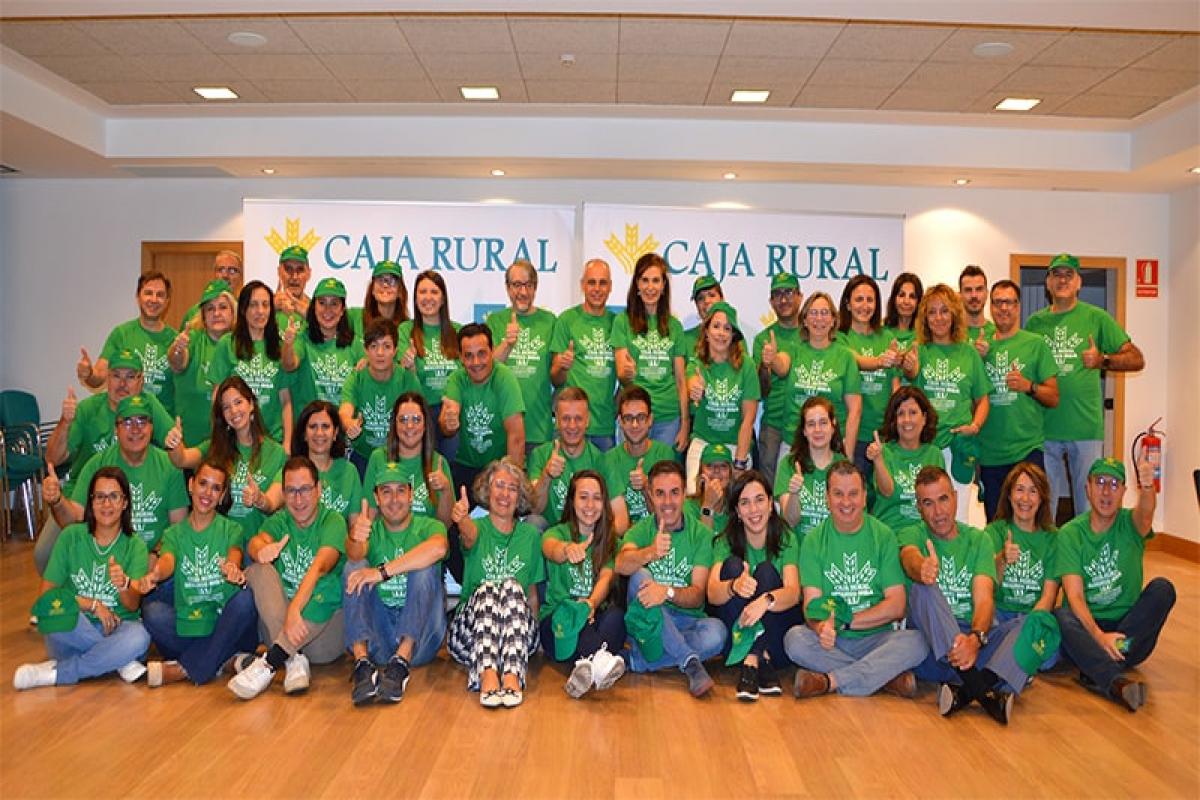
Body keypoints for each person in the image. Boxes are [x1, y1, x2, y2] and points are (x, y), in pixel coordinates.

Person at [899, 466, 1047, 725]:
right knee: (924, 587)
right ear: (919, 508)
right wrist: (921, 567)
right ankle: (989, 691)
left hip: (974, 642)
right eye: (928, 503)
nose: (938, 512)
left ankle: (965, 690)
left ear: (955, 497)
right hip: (935, 646)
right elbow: (908, 556)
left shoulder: (979, 540)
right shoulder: (912, 533)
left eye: (944, 499)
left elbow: (984, 599)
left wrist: (976, 640)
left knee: (1034, 624)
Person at [785, 462, 926, 700]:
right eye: (838, 494)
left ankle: (830, 681)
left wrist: (846, 622)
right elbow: (812, 607)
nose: (846, 502)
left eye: (853, 494)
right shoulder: (812, 540)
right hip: (833, 642)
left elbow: (897, 606)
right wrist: (822, 627)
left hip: (877, 639)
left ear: (864, 497)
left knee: (919, 641)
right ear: (827, 499)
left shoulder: (884, 536)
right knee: (794, 640)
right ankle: (885, 677)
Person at [1026, 253, 1145, 518]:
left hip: (1085, 428)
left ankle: (1086, 558)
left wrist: (1103, 359)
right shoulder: (1035, 323)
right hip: (1043, 429)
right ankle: (1048, 559)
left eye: (1069, 275)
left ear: (1079, 282)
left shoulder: (1096, 318)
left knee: (1088, 507)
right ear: (1048, 283)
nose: (1062, 280)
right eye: (1056, 274)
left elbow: (1137, 358)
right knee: (1043, 508)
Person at [1054, 457, 1174, 712]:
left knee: (1163, 588)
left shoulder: (1130, 524)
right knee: (1061, 616)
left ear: (1123, 491)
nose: (1106, 491)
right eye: (1099, 482)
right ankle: (1113, 678)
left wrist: (1147, 485)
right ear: (1087, 488)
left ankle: (1094, 668)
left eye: (1114, 484)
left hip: (1126, 634)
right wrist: (1098, 637)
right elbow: (1074, 596)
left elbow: (1146, 513)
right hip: (1087, 630)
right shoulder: (1070, 533)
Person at [15, 467, 152, 690]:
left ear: (125, 503)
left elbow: (133, 604)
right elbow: (46, 596)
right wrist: (92, 605)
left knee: (140, 635)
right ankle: (118, 661)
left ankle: (55, 673)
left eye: (114, 497)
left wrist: (124, 584)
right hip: (73, 629)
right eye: (100, 497)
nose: (106, 505)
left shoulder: (135, 545)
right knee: (56, 618)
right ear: (91, 503)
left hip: (118, 629)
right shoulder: (70, 536)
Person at [38, 350, 174, 575]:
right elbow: (53, 458)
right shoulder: (89, 409)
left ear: (141, 381)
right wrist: (65, 421)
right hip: (81, 498)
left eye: (130, 376)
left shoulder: (149, 406)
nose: (122, 383)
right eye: (116, 375)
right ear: (106, 379)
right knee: (44, 553)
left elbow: (175, 447)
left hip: (133, 496)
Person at [229, 456, 348, 700]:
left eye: (305, 489)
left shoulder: (332, 520)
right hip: (281, 628)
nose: (298, 499)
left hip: (321, 639)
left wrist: (295, 608)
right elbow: (255, 541)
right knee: (260, 570)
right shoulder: (281, 520)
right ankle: (292, 660)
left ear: (319, 489)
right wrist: (260, 549)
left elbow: (319, 567)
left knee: (328, 584)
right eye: (291, 491)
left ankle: (270, 662)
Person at [139, 460, 260, 687]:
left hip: (226, 623)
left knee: (245, 601)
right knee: (152, 612)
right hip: (192, 624)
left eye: (216, 488)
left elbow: (234, 552)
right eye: (203, 484)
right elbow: (168, 560)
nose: (207, 493)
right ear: (191, 485)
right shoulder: (173, 533)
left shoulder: (232, 528)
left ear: (223, 495)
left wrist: (232, 568)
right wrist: (156, 574)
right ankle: (224, 659)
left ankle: (188, 668)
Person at [616, 461, 725, 697]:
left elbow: (697, 595)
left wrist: (666, 592)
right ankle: (688, 661)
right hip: (650, 620)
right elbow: (621, 565)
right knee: (639, 574)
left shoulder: (701, 534)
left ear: (684, 493)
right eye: (660, 494)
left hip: (685, 620)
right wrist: (650, 553)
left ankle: (638, 659)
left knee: (717, 632)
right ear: (650, 496)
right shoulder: (641, 530)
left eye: (674, 493)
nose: (668, 502)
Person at [343, 464, 448, 705]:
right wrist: (354, 538)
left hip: (421, 638)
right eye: (386, 492)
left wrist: (382, 572)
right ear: (376, 498)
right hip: (380, 641)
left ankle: (401, 662)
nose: (394, 499)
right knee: (353, 568)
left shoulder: (429, 525)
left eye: (401, 491)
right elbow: (354, 554)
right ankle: (362, 664)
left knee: (425, 566)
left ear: (411, 495)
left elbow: (439, 548)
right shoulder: (371, 529)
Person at [447, 458, 545, 708]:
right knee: (490, 589)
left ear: (520, 496)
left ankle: (511, 676)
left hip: (516, 635)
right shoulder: (476, 528)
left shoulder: (531, 536)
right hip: (469, 637)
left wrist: (535, 636)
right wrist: (461, 519)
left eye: (512, 488)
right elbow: (468, 537)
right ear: (487, 491)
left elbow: (531, 594)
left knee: (512, 587)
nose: (504, 494)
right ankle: (488, 675)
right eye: (499, 485)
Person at [45, 394, 188, 558]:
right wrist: (57, 500)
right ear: (116, 429)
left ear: (152, 428)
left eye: (142, 421)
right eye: (127, 422)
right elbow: (73, 520)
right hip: (108, 560)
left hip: (156, 561)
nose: (135, 429)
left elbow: (178, 527)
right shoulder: (98, 464)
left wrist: (154, 556)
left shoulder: (170, 465)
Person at [707, 470, 802, 702]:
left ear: (771, 504)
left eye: (760, 500)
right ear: (737, 512)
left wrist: (766, 600)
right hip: (738, 643)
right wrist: (733, 586)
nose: (754, 510)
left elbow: (793, 592)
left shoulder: (786, 537)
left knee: (766, 572)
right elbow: (711, 593)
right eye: (745, 503)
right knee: (732, 567)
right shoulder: (726, 539)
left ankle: (754, 659)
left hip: (777, 639)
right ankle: (758, 657)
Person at [167, 376, 287, 547]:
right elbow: (182, 459)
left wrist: (259, 498)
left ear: (251, 403)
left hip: (259, 546)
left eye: (238, 402)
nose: (233, 411)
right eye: (226, 407)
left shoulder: (276, 452)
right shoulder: (215, 447)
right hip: (221, 546)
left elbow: (273, 502)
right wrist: (174, 444)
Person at [539, 470, 627, 699]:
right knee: (572, 611)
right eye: (583, 497)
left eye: (597, 498)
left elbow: (606, 578)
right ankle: (599, 661)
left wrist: (591, 603)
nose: (590, 504)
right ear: (572, 501)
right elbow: (551, 548)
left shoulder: (610, 541)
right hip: (557, 624)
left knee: (617, 616)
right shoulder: (555, 532)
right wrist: (567, 549)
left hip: (592, 617)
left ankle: (584, 668)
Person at [905, 284, 989, 521]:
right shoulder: (918, 350)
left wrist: (975, 426)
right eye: (932, 312)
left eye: (944, 310)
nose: (939, 317)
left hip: (958, 446)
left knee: (958, 515)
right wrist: (910, 371)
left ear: (954, 314)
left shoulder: (969, 353)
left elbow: (983, 399)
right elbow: (909, 386)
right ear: (924, 318)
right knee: (926, 514)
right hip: (926, 445)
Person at [977, 280, 1059, 520]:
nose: (1004, 308)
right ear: (990, 307)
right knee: (996, 523)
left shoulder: (1035, 344)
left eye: (1009, 302)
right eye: (998, 302)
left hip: (1027, 450)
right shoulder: (981, 347)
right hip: (990, 453)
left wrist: (1029, 386)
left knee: (1031, 521)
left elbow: (1053, 396)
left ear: (1018, 306)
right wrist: (977, 358)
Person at [984, 463, 1061, 669]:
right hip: (999, 613)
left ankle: (1007, 656)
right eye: (1019, 490)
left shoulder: (1053, 538)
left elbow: (1049, 596)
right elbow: (986, 588)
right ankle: (1016, 660)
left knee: (1049, 659)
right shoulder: (994, 532)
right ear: (1009, 496)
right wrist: (1001, 558)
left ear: (1042, 499)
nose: (1025, 499)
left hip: (1033, 615)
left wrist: (1030, 627)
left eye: (1033, 491)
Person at [611, 252, 690, 452]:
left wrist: (685, 423)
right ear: (636, 284)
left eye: (656, 280)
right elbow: (622, 372)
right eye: (644, 280)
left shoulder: (675, 327)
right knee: (630, 477)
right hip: (633, 418)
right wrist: (625, 373)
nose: (650, 287)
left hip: (668, 418)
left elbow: (681, 381)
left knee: (664, 479)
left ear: (664, 286)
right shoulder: (622, 322)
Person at [440, 323, 526, 499]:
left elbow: (516, 437)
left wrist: (510, 483)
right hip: (466, 466)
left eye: (482, 354)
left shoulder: (505, 379)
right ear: (461, 358)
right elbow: (446, 420)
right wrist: (449, 422)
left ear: (492, 352)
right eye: (469, 356)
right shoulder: (457, 379)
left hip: (500, 467)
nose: (476, 362)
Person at [207, 281, 296, 444]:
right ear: (243, 309)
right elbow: (217, 396)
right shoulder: (227, 344)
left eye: (265, 305)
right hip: (235, 440)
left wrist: (287, 445)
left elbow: (285, 400)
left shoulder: (279, 346)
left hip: (272, 441)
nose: (260, 311)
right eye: (253, 305)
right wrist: (217, 438)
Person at [684, 301, 760, 491]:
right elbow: (692, 382)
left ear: (733, 335)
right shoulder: (696, 363)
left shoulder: (747, 366)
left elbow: (748, 420)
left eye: (727, 328)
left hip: (735, 445)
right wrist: (695, 389)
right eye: (716, 326)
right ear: (706, 332)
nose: (721, 333)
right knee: (694, 494)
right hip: (703, 442)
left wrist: (740, 463)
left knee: (736, 501)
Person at [77, 271, 178, 412]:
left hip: (163, 427)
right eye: (148, 293)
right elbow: (98, 377)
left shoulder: (176, 340)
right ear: (138, 297)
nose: (154, 299)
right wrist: (88, 374)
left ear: (167, 301)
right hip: (126, 424)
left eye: (160, 295)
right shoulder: (121, 334)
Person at [782, 291, 861, 469]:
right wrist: (771, 359)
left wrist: (847, 455)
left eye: (825, 313)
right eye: (813, 313)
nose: (819, 319)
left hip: (832, 447)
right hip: (793, 445)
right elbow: (780, 365)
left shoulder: (845, 357)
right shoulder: (794, 350)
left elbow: (855, 410)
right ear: (804, 320)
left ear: (833, 320)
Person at [485, 259, 557, 454]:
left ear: (535, 287)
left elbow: (557, 376)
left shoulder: (550, 321)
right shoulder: (495, 320)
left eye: (528, 285)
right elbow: (484, 370)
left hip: (539, 429)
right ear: (508, 288)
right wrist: (507, 344)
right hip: (502, 429)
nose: (523, 292)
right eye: (517, 285)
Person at [550, 259, 618, 451]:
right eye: (591, 282)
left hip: (604, 427)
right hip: (570, 426)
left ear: (610, 286)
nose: (597, 288)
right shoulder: (566, 320)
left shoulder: (618, 323)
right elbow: (555, 378)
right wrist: (562, 366)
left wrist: (616, 407)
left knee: (602, 481)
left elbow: (626, 376)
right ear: (582, 285)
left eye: (602, 283)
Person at [338, 318, 420, 471]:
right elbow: (345, 410)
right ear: (366, 350)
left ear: (395, 350)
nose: (380, 353)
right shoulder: (356, 378)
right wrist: (349, 424)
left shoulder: (407, 378)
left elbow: (420, 417)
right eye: (374, 346)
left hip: (397, 455)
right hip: (362, 455)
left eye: (387, 346)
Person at [838, 275, 900, 477]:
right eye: (858, 300)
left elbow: (895, 385)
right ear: (847, 304)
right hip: (852, 435)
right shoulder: (839, 337)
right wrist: (879, 361)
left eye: (870, 300)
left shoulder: (887, 337)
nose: (865, 306)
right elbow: (854, 359)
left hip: (883, 436)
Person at [867, 387, 945, 533]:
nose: (907, 420)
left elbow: (939, 503)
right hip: (890, 534)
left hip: (923, 536)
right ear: (894, 421)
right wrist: (878, 460)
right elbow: (887, 492)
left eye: (913, 413)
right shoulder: (884, 452)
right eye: (901, 414)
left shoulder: (935, 454)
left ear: (924, 418)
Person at [399, 270, 460, 455]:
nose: (428, 297)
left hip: (450, 411)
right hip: (419, 414)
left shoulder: (458, 331)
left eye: (434, 292)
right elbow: (402, 376)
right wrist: (408, 366)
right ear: (415, 298)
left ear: (443, 299)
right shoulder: (405, 330)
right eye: (422, 292)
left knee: (448, 470)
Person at [169, 279, 237, 446]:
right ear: (203, 315)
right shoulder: (193, 338)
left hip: (230, 441)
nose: (216, 313)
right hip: (191, 441)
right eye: (210, 309)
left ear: (233, 312)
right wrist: (178, 349)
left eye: (222, 307)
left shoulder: (240, 343)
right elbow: (178, 363)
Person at [604, 385, 677, 536]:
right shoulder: (609, 459)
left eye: (641, 417)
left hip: (659, 535)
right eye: (629, 418)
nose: (635, 425)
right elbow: (619, 525)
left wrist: (646, 487)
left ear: (650, 420)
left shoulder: (665, 454)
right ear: (620, 422)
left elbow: (667, 518)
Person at [528, 388, 605, 530]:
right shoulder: (540, 454)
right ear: (556, 420)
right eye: (566, 418)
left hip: (584, 529)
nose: (572, 426)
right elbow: (535, 509)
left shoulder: (599, 460)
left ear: (587, 420)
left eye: (578, 419)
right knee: (533, 523)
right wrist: (547, 475)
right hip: (549, 531)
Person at [752, 273, 802, 485]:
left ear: (800, 296)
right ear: (771, 302)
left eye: (789, 292)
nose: (784, 299)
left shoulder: (813, 334)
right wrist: (766, 365)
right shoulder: (763, 339)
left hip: (805, 426)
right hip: (773, 425)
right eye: (777, 294)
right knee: (769, 489)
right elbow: (761, 392)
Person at [289, 277, 364, 417]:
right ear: (314, 307)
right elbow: (290, 365)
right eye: (322, 303)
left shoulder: (355, 344)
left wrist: (368, 362)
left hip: (343, 430)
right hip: (308, 429)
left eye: (334, 304)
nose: (327, 310)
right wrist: (287, 344)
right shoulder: (303, 337)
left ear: (342, 310)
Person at [777, 397, 847, 542]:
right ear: (804, 430)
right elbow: (790, 521)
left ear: (833, 426)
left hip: (832, 550)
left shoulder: (845, 466)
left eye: (823, 423)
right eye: (811, 424)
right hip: (797, 552)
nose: (817, 430)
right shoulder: (789, 464)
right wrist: (794, 494)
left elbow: (850, 522)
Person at [291, 400, 363, 519]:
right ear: (304, 434)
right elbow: (272, 502)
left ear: (335, 433)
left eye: (325, 426)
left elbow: (355, 526)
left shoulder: (350, 472)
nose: (319, 433)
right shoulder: (293, 470)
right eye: (313, 426)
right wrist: (261, 499)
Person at [348, 259, 409, 340]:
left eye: (392, 281)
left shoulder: (407, 328)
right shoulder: (354, 317)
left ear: (400, 291)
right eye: (380, 280)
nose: (385, 285)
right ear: (372, 289)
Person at [181, 250, 244, 326]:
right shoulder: (194, 313)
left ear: (241, 277)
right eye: (221, 270)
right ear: (214, 274)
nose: (225, 275)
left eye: (232, 270)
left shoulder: (245, 312)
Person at [684, 442, 733, 537]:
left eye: (723, 466)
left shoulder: (736, 508)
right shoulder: (688, 507)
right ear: (701, 472)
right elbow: (702, 547)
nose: (717, 470)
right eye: (710, 465)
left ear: (730, 475)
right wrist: (708, 506)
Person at [682, 275, 723, 356]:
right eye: (700, 298)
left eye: (711, 295)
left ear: (721, 299)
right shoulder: (684, 339)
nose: (706, 301)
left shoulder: (734, 337)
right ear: (696, 305)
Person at [883, 271, 924, 348]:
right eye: (901, 295)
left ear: (919, 302)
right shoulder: (881, 331)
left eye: (912, 296)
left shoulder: (924, 335)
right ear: (893, 299)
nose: (906, 301)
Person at [274, 245, 312, 324]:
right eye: (288, 269)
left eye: (300, 270)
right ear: (279, 272)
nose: (294, 277)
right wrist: (270, 309)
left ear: (309, 273)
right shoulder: (264, 309)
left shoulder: (321, 312)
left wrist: (312, 316)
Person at [959, 265, 995, 341]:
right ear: (960, 295)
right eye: (968, 290)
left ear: (987, 294)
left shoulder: (996, 334)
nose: (974, 295)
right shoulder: (951, 334)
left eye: (979, 289)